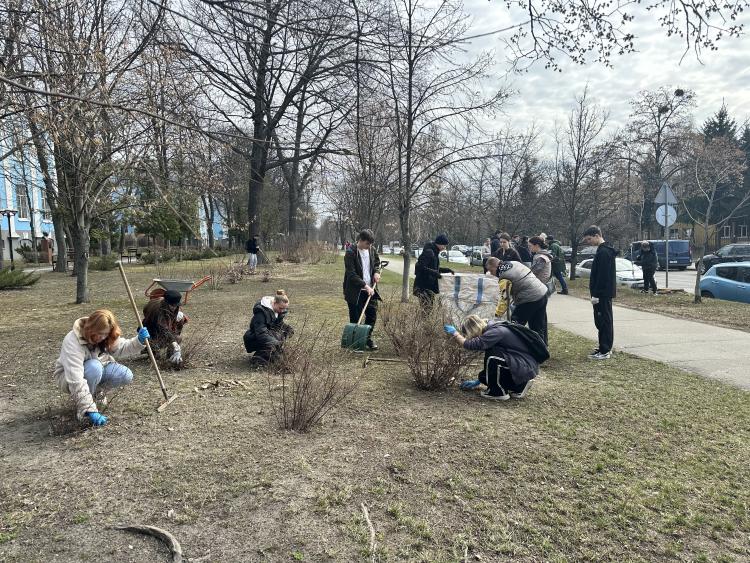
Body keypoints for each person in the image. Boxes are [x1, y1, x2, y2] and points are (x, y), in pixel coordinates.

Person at [53, 309, 149, 426]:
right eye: (100, 333)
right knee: (94, 367)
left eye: (105, 334)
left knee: (125, 374)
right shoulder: (72, 341)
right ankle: (85, 406)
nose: (102, 337)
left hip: (97, 368)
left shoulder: (105, 336)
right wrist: (89, 409)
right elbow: (75, 379)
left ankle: (96, 393)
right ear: (91, 328)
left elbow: (121, 347)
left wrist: (138, 341)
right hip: (68, 377)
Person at [444, 315, 541, 400]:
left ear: (473, 330)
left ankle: (497, 393)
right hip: (525, 366)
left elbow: (470, 345)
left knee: (493, 357)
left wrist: (455, 333)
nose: (472, 337)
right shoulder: (493, 327)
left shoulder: (495, 331)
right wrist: (480, 380)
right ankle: (520, 386)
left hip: (524, 366)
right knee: (488, 367)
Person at [486, 257, 548, 344]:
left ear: (495, 267)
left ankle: (515, 346)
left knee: (515, 326)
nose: (491, 273)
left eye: (491, 270)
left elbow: (505, 299)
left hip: (529, 299)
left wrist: (498, 314)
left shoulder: (504, 276)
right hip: (542, 293)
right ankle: (542, 347)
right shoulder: (514, 263)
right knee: (538, 326)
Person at [343, 229, 382, 350]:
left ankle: (367, 338)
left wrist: (376, 272)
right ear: (360, 240)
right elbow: (351, 274)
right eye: (367, 244)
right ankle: (355, 342)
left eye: (370, 244)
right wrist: (365, 286)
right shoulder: (350, 253)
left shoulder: (372, 250)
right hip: (356, 291)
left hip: (371, 290)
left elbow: (376, 263)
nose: (369, 246)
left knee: (372, 315)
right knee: (356, 318)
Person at [582, 225, 617, 360]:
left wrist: (596, 294)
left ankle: (605, 350)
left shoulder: (604, 252)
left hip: (602, 294)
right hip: (603, 293)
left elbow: (603, 276)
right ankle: (604, 347)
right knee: (602, 321)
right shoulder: (604, 250)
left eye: (589, 239)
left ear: (597, 235)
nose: (588, 242)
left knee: (603, 321)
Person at [243, 290, 294, 367]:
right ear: (274, 303)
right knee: (274, 343)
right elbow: (261, 333)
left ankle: (269, 356)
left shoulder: (277, 311)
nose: (282, 311)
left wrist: (287, 329)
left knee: (281, 336)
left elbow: (278, 325)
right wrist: (275, 343)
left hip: (267, 334)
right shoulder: (261, 314)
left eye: (284, 308)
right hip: (254, 338)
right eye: (281, 308)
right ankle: (258, 360)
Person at [142, 289, 188, 365]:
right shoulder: (157, 310)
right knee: (155, 356)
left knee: (177, 337)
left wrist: (175, 344)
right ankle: (150, 348)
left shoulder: (174, 306)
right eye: (172, 305)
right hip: (150, 330)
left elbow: (171, 327)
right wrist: (174, 343)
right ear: (166, 302)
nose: (174, 307)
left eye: (176, 305)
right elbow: (164, 329)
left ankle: (170, 358)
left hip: (163, 327)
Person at [413, 233, 454, 308]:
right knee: (426, 309)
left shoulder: (434, 252)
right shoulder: (429, 252)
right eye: (444, 245)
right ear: (439, 244)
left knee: (429, 308)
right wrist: (435, 273)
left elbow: (433, 268)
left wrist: (447, 270)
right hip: (423, 286)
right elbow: (420, 267)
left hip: (429, 286)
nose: (444, 248)